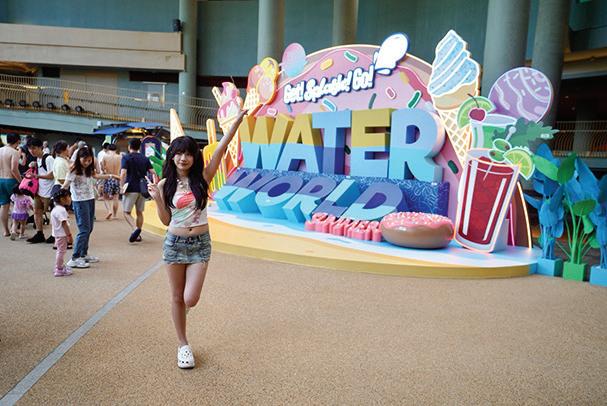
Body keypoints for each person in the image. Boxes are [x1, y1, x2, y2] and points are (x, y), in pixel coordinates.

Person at [147, 109, 246, 369]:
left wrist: (235, 123)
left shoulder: (203, 178)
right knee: (177, 297)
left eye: (189, 153)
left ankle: (182, 312)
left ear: (195, 157)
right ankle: (183, 345)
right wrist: (157, 199)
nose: (183, 158)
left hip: (200, 245)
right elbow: (166, 221)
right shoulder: (164, 184)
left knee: (190, 299)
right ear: (172, 156)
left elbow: (221, 149)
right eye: (179, 153)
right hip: (174, 244)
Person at [62, 147, 115, 269]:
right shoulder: (74, 170)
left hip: (90, 199)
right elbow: (65, 185)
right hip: (79, 201)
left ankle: (83, 254)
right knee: (84, 229)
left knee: (89, 228)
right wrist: (58, 199)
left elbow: (96, 176)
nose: (87, 162)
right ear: (79, 158)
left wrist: (112, 176)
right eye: (84, 160)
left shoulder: (88, 169)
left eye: (89, 160)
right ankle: (74, 258)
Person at [120, 138, 155, 242]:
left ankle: (135, 229)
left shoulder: (126, 157)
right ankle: (138, 235)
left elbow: (123, 173)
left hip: (130, 188)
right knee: (139, 212)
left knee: (126, 212)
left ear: (129, 146)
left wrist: (121, 186)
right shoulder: (144, 158)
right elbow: (153, 172)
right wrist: (153, 184)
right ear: (139, 147)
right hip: (142, 188)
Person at [26, 137, 55, 244]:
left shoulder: (48, 158)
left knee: (53, 215)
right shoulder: (38, 159)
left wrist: (37, 176)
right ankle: (39, 234)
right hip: (39, 191)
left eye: (34, 148)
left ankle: (55, 235)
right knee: (37, 212)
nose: (31, 151)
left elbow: (52, 175)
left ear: (40, 147)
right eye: (29, 148)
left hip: (48, 192)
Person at [0, 133, 22, 237]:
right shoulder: (14, 152)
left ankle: (6, 231)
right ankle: (14, 228)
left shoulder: (0, 150)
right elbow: (14, 169)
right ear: (17, 141)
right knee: (16, 205)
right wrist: (21, 181)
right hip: (11, 181)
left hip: (0, 179)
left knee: (4, 205)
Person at [50, 188, 73, 277]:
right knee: (61, 251)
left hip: (57, 233)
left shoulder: (56, 209)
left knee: (60, 250)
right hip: (61, 234)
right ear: (62, 199)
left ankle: (59, 266)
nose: (70, 199)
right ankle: (59, 269)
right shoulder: (61, 210)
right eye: (69, 197)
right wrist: (69, 235)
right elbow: (64, 224)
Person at [100, 144, 121, 220]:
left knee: (105, 197)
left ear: (108, 149)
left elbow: (102, 168)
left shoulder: (105, 156)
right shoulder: (120, 157)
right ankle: (115, 215)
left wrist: (104, 169)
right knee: (116, 197)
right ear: (116, 149)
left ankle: (109, 211)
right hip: (117, 178)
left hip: (108, 177)